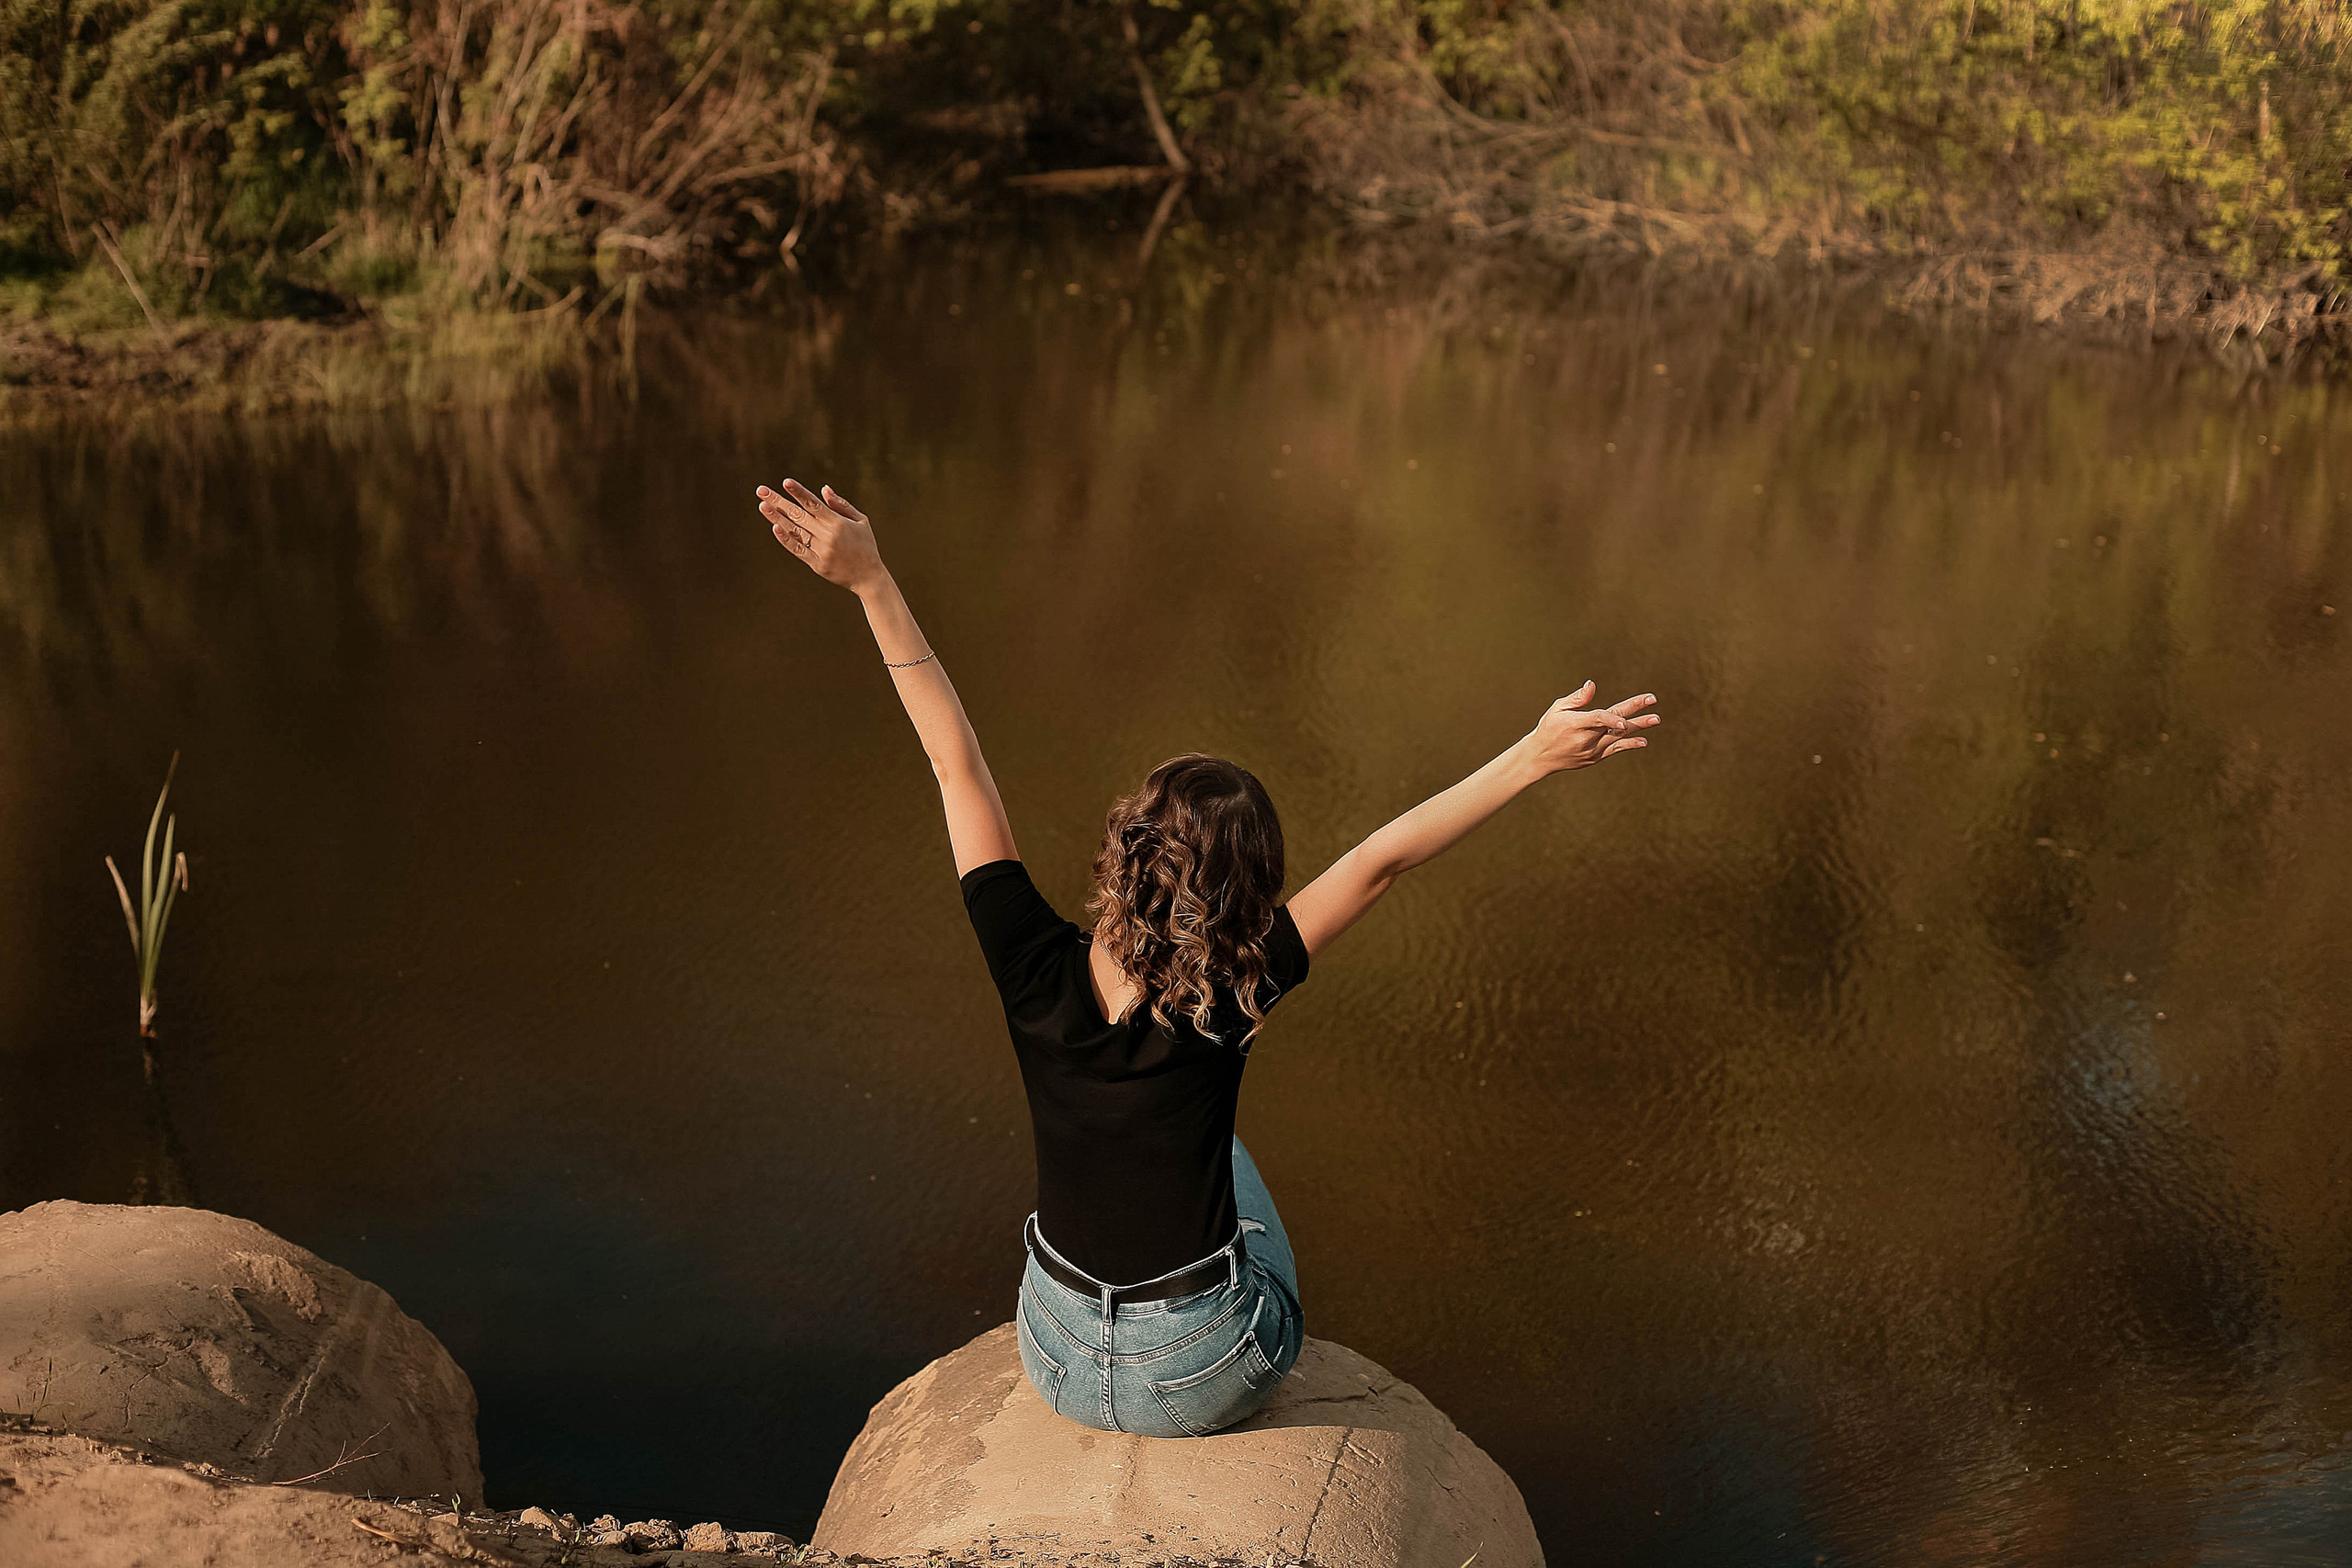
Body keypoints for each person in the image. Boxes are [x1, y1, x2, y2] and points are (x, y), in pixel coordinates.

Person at [758, 477, 1659, 1437]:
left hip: (1054, 1351)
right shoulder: (1237, 985)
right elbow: (1380, 861)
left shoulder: (1025, 957)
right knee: (1225, 1159)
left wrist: (873, 583)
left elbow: (955, 762)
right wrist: (1530, 755)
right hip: (1197, 1373)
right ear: (1250, 885)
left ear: (1122, 848)